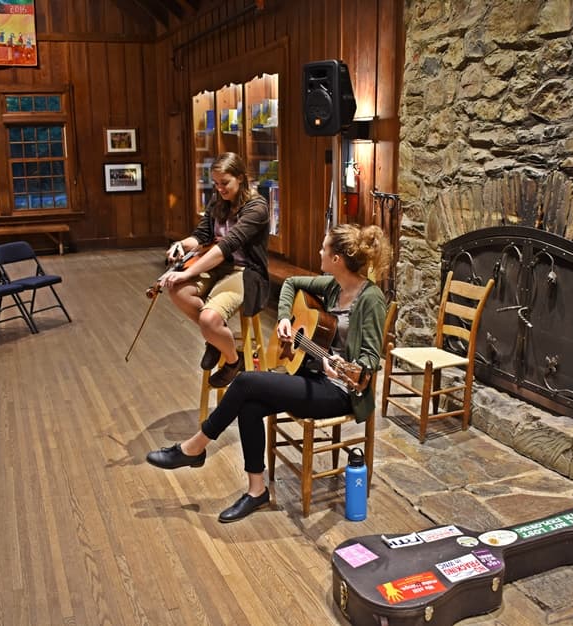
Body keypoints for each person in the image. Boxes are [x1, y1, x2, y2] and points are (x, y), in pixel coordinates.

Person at [147, 223, 392, 523]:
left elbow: (370, 359)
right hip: (313, 375)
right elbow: (289, 286)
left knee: (247, 380)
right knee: (250, 406)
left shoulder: (371, 299)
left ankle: (195, 447)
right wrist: (287, 318)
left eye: (323, 248)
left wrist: (341, 369)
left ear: (337, 259)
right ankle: (256, 491)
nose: (319, 251)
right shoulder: (333, 285)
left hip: (341, 392)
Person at [161, 152, 269, 388]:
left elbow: (227, 245)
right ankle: (217, 339)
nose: (220, 189)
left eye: (225, 183)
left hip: (246, 272)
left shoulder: (257, 207)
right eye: (216, 184)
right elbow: (201, 236)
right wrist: (180, 244)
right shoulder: (218, 200)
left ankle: (233, 360)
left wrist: (188, 272)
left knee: (209, 320)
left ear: (240, 178)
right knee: (177, 290)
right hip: (220, 266)